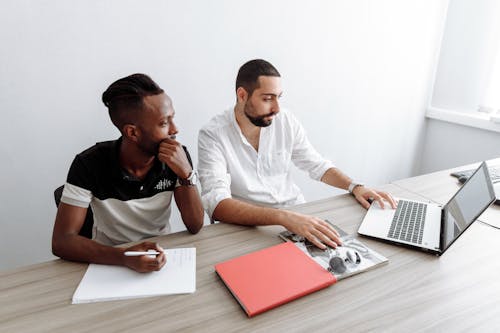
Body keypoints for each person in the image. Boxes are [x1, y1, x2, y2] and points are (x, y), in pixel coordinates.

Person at [198, 59, 396, 250]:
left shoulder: (285, 121)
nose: (276, 108)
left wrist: (355, 187)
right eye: (267, 99)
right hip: (248, 228)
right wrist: (282, 217)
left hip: (296, 217)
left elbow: (316, 164)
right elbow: (217, 203)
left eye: (278, 97)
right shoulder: (213, 134)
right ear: (242, 95)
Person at [52, 73, 204, 273]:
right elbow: (62, 241)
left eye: (172, 118)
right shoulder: (88, 164)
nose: (175, 129)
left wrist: (186, 175)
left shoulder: (177, 156)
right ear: (132, 132)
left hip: (161, 258)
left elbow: (195, 225)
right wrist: (124, 257)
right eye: (164, 123)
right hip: (109, 260)